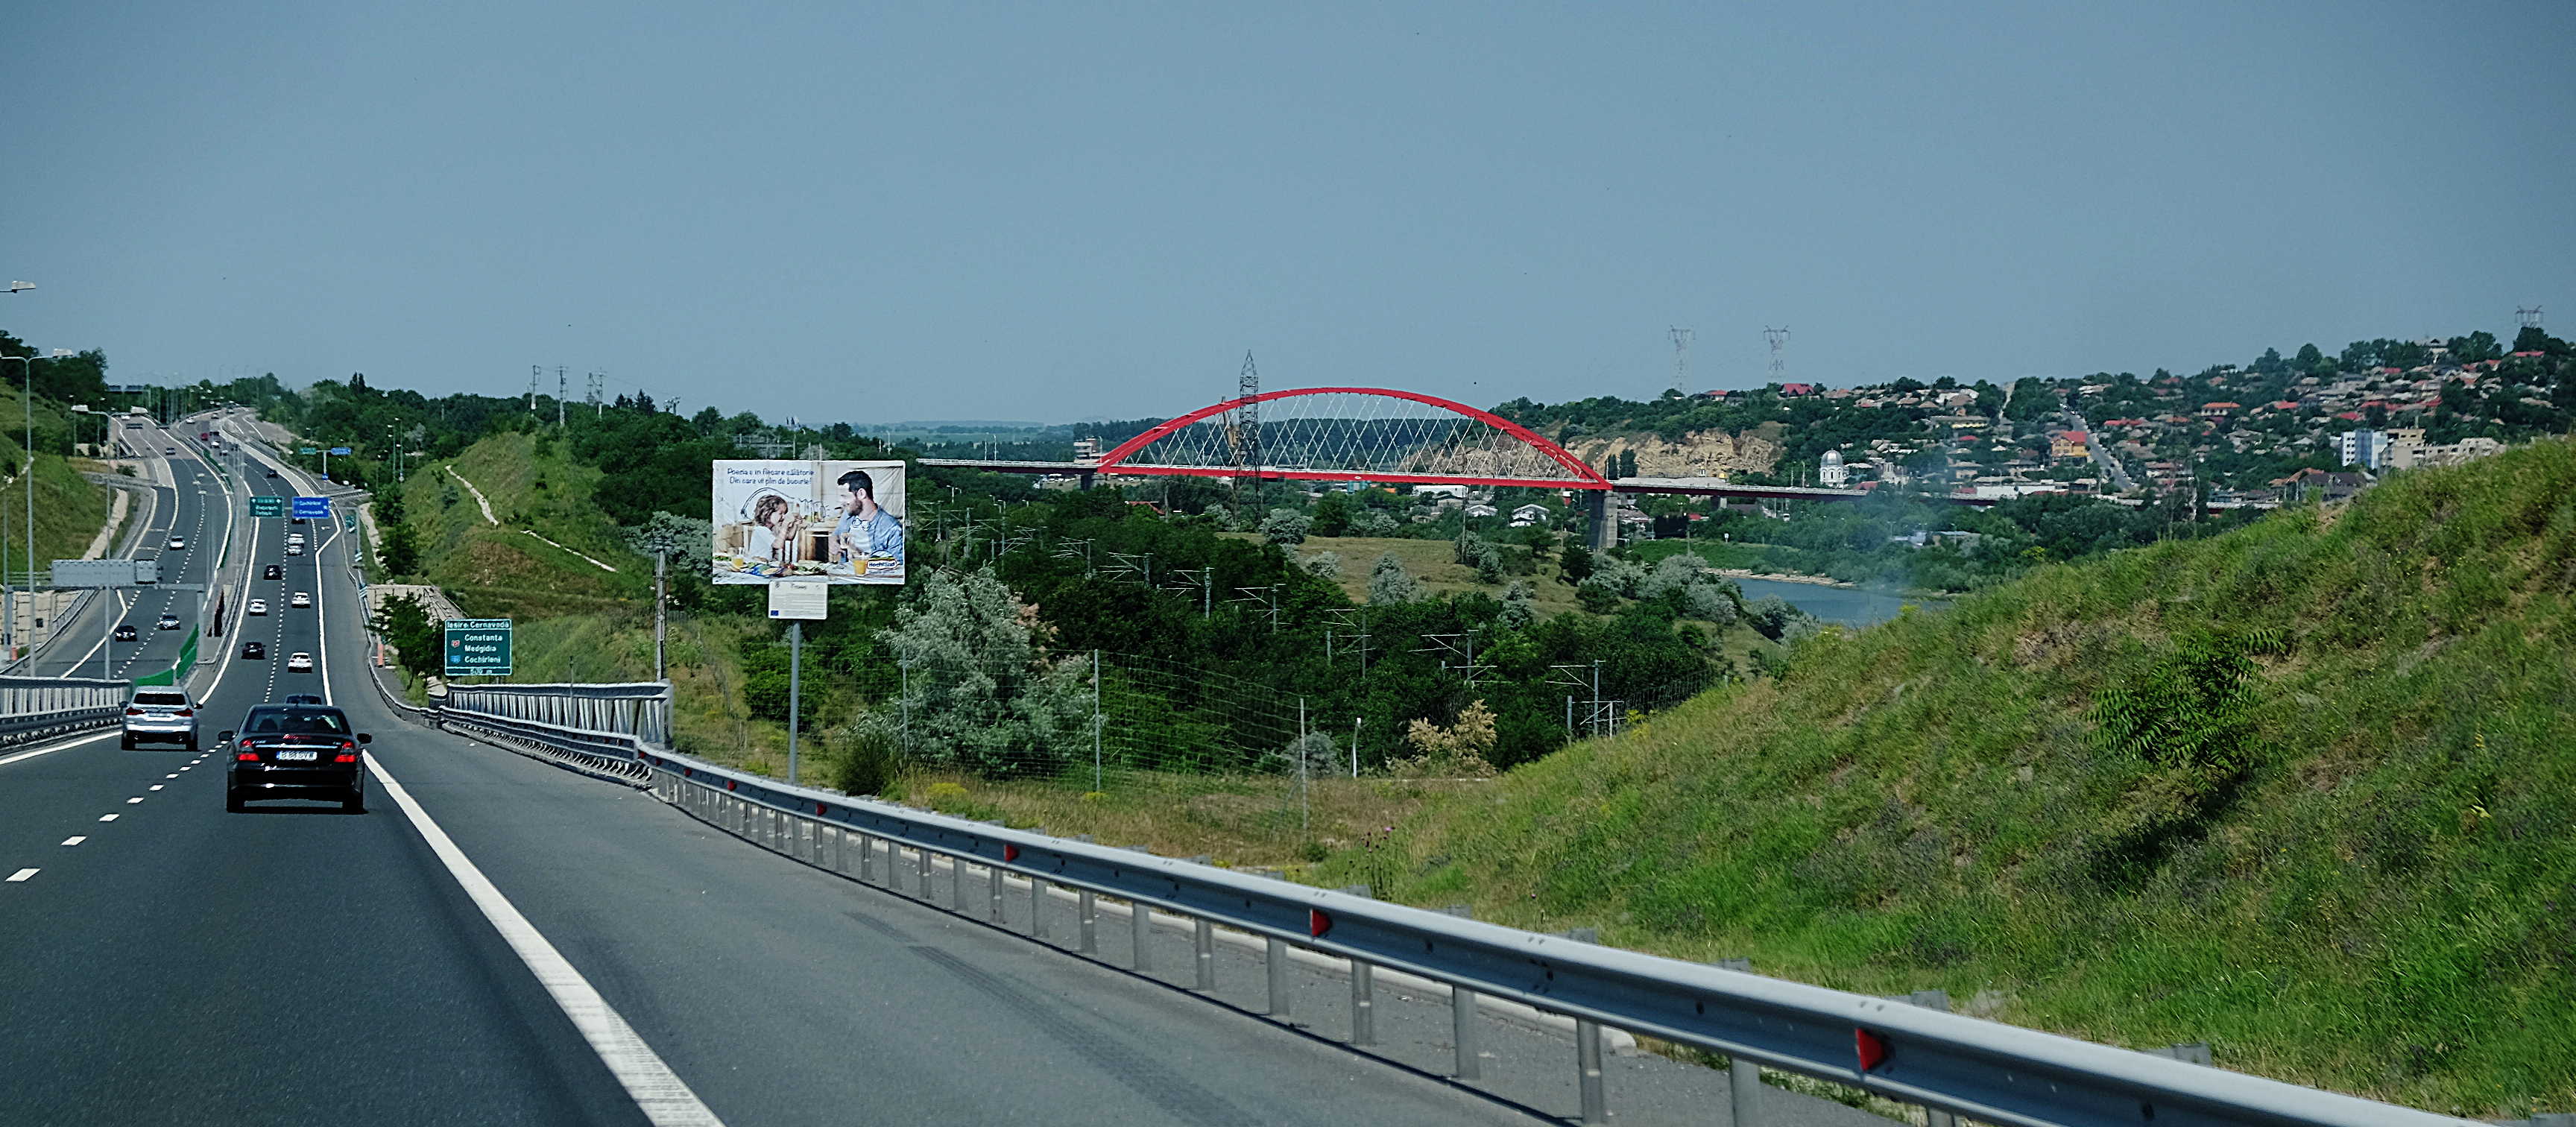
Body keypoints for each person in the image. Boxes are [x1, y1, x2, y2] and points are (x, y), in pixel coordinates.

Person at [830, 469, 904, 570]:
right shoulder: (848, 514)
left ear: (861, 493)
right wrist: (834, 542)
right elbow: (836, 534)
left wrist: (863, 559)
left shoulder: (892, 528)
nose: (840, 501)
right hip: (845, 574)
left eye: (844, 496)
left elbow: (898, 566)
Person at [743, 492, 800, 564]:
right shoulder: (761, 529)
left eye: (784, 513)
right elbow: (778, 545)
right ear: (768, 513)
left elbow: (789, 537)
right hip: (757, 564)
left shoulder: (773, 528)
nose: (783, 517)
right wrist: (785, 524)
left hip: (767, 563)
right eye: (780, 513)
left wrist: (795, 524)